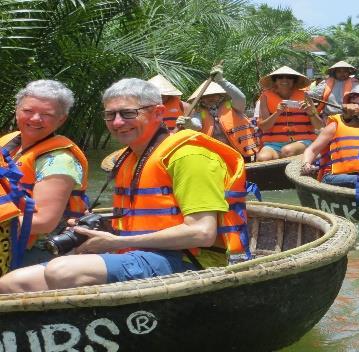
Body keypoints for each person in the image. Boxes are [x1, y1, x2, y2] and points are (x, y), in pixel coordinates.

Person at [0, 78, 249, 293]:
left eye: (128, 113)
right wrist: (106, 229)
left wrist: (112, 242)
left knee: (62, 270)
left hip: (188, 259)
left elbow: (202, 233)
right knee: (11, 283)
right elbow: (142, 218)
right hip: (135, 251)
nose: (118, 122)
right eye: (110, 115)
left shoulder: (190, 157)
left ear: (158, 113)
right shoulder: (127, 158)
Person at [0, 80, 89, 275]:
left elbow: (44, 222)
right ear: (17, 110)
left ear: (61, 120)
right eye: (28, 111)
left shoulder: (59, 160)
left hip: (33, 250)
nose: (35, 118)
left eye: (46, 114)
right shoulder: (10, 143)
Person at [300, 86, 359, 189]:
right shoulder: (336, 124)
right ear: (349, 105)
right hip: (334, 177)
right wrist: (306, 164)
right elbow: (312, 149)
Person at [177, 66, 259, 160]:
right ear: (201, 100)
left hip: (239, 154)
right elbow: (197, 125)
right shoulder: (199, 113)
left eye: (214, 95)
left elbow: (241, 98)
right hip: (215, 157)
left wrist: (221, 80)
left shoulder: (233, 106)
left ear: (220, 96)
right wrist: (189, 124)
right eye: (206, 96)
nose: (210, 98)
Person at [256, 66, 323, 161]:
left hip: (302, 140)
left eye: (289, 77)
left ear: (294, 81)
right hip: (274, 143)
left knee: (287, 151)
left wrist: (310, 112)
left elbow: (319, 126)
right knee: (262, 158)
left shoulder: (305, 96)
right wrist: (277, 113)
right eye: (280, 77)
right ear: (275, 81)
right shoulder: (265, 97)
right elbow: (264, 127)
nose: (285, 80)